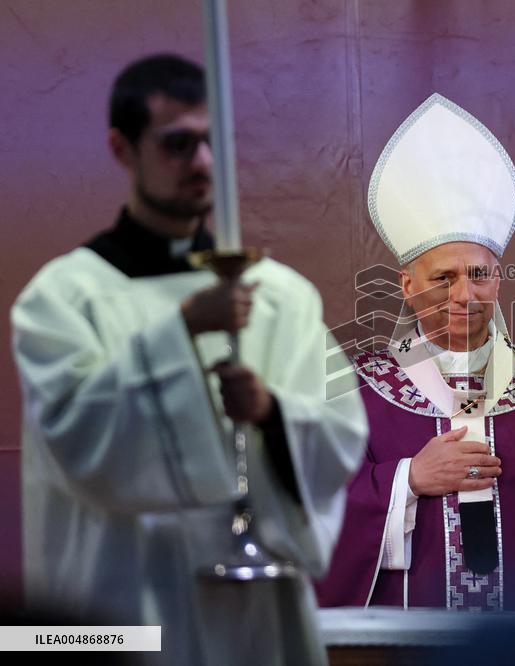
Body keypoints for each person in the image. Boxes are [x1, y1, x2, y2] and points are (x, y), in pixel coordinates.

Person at [11, 54, 368, 665]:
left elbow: (340, 433)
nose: (202, 163)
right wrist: (182, 332)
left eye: (211, 143)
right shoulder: (62, 299)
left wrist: (272, 413)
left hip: (252, 613)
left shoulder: (280, 297)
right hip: (121, 609)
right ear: (123, 149)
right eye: (177, 144)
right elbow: (79, 441)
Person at [314, 93, 515, 611]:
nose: (465, 295)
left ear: (499, 279)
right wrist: (406, 480)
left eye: (479, 275)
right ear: (406, 285)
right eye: (443, 277)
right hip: (404, 642)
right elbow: (315, 504)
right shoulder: (357, 393)